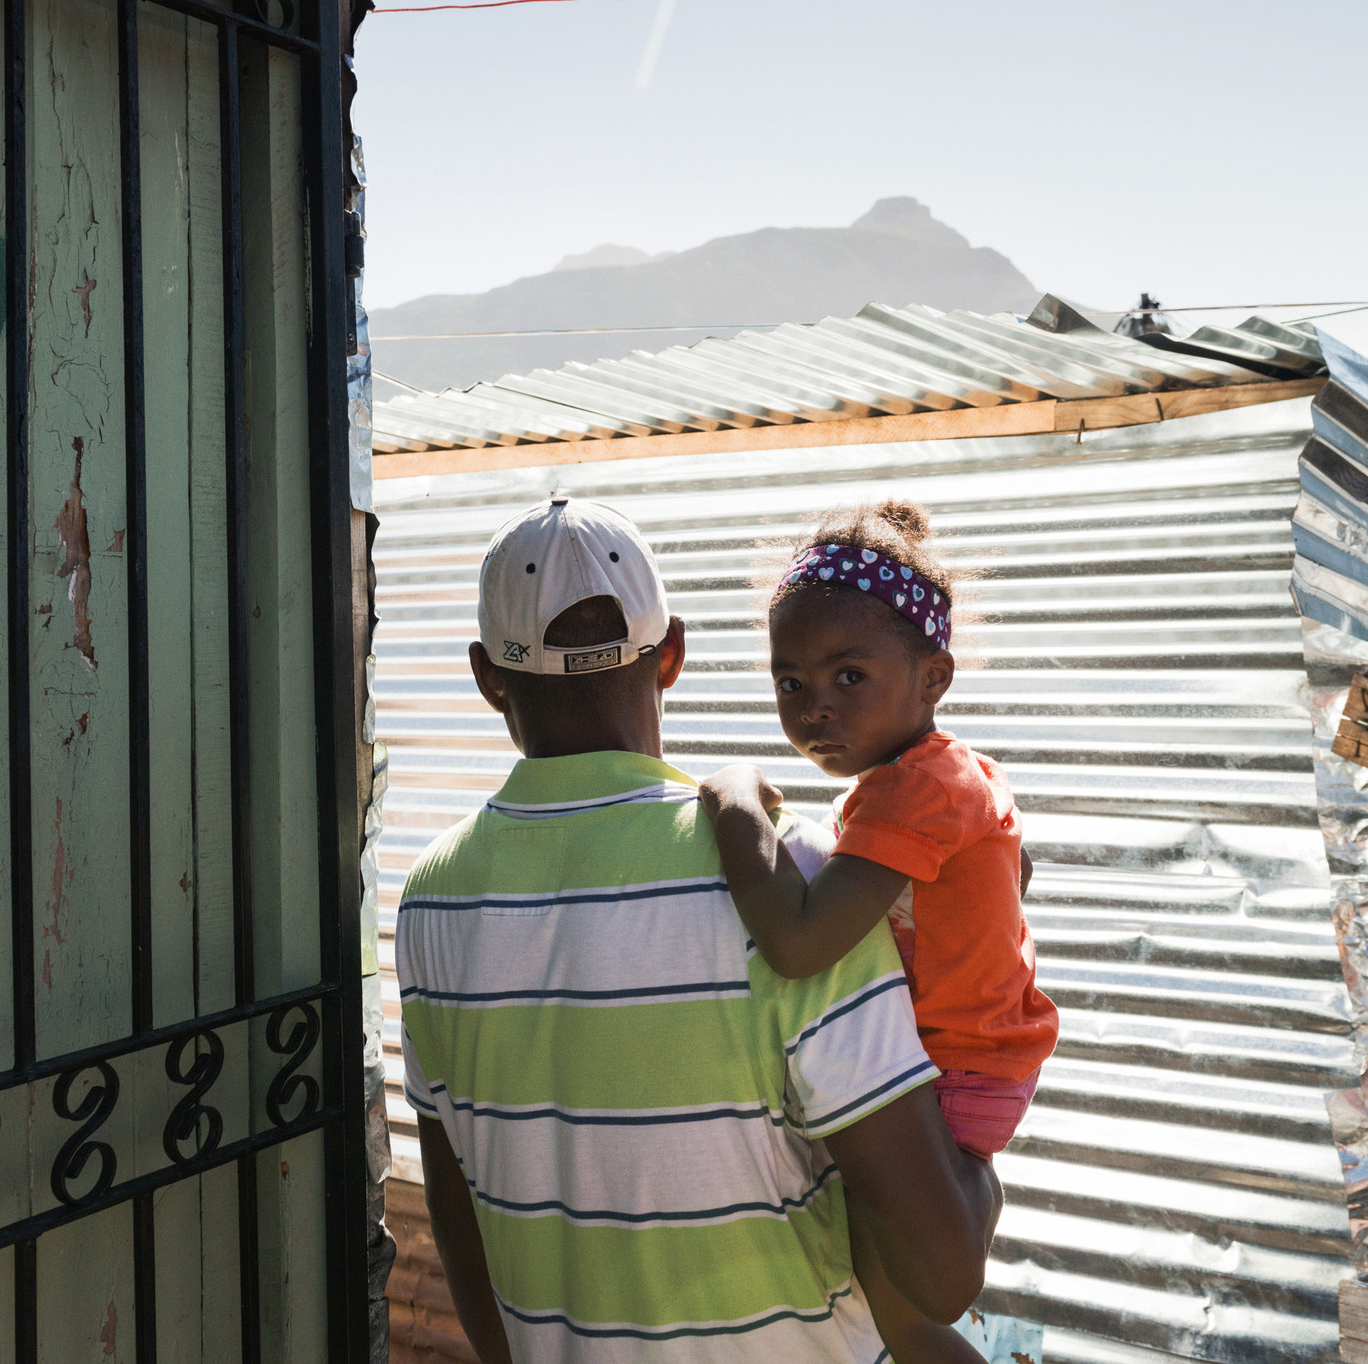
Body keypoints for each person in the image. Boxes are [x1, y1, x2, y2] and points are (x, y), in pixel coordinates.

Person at [397, 498, 1001, 1364]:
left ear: (488, 676)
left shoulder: (431, 900)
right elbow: (945, 1275)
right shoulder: (786, 871)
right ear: (672, 652)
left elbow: (460, 1217)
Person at [699, 501, 1058, 1364]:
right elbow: (1019, 872)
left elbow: (798, 941)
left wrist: (732, 803)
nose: (815, 707)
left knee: (916, 1306)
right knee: (895, 1318)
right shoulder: (951, 771)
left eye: (848, 677)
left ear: (933, 677)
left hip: (953, 1075)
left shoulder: (915, 790)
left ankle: (968, 1186)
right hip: (982, 1057)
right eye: (792, 684)